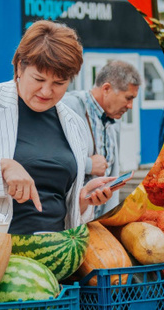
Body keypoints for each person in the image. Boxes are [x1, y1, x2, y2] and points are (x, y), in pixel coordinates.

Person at [0, 20, 116, 234]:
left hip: (52, 253)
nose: (47, 92)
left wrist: (83, 200)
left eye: (59, 83)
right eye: (38, 79)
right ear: (19, 66)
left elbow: (63, 206)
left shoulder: (74, 124)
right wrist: (2, 168)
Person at [62, 60, 141, 218]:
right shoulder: (69, 108)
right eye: (128, 98)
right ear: (106, 89)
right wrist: (89, 165)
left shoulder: (113, 120)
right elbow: (49, 157)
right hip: (68, 223)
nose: (131, 106)